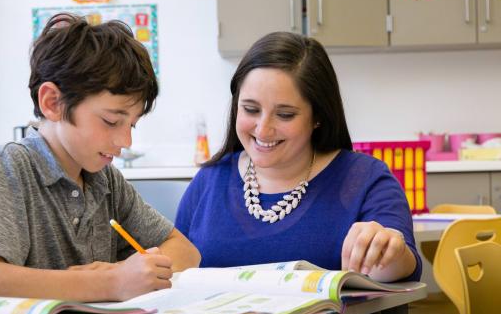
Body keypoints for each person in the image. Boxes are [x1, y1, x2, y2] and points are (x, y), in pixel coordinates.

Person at [0, 13, 201, 302]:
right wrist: (110, 282)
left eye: (132, 125)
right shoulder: (10, 165)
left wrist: (130, 272)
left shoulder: (104, 179)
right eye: (112, 121)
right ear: (53, 103)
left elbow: (186, 251)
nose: (125, 142)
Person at [175, 32, 421, 283]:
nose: (263, 129)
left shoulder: (365, 178)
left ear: (318, 116)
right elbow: (176, 271)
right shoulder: (210, 179)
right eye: (250, 109)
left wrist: (389, 249)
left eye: (285, 114)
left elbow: (401, 268)